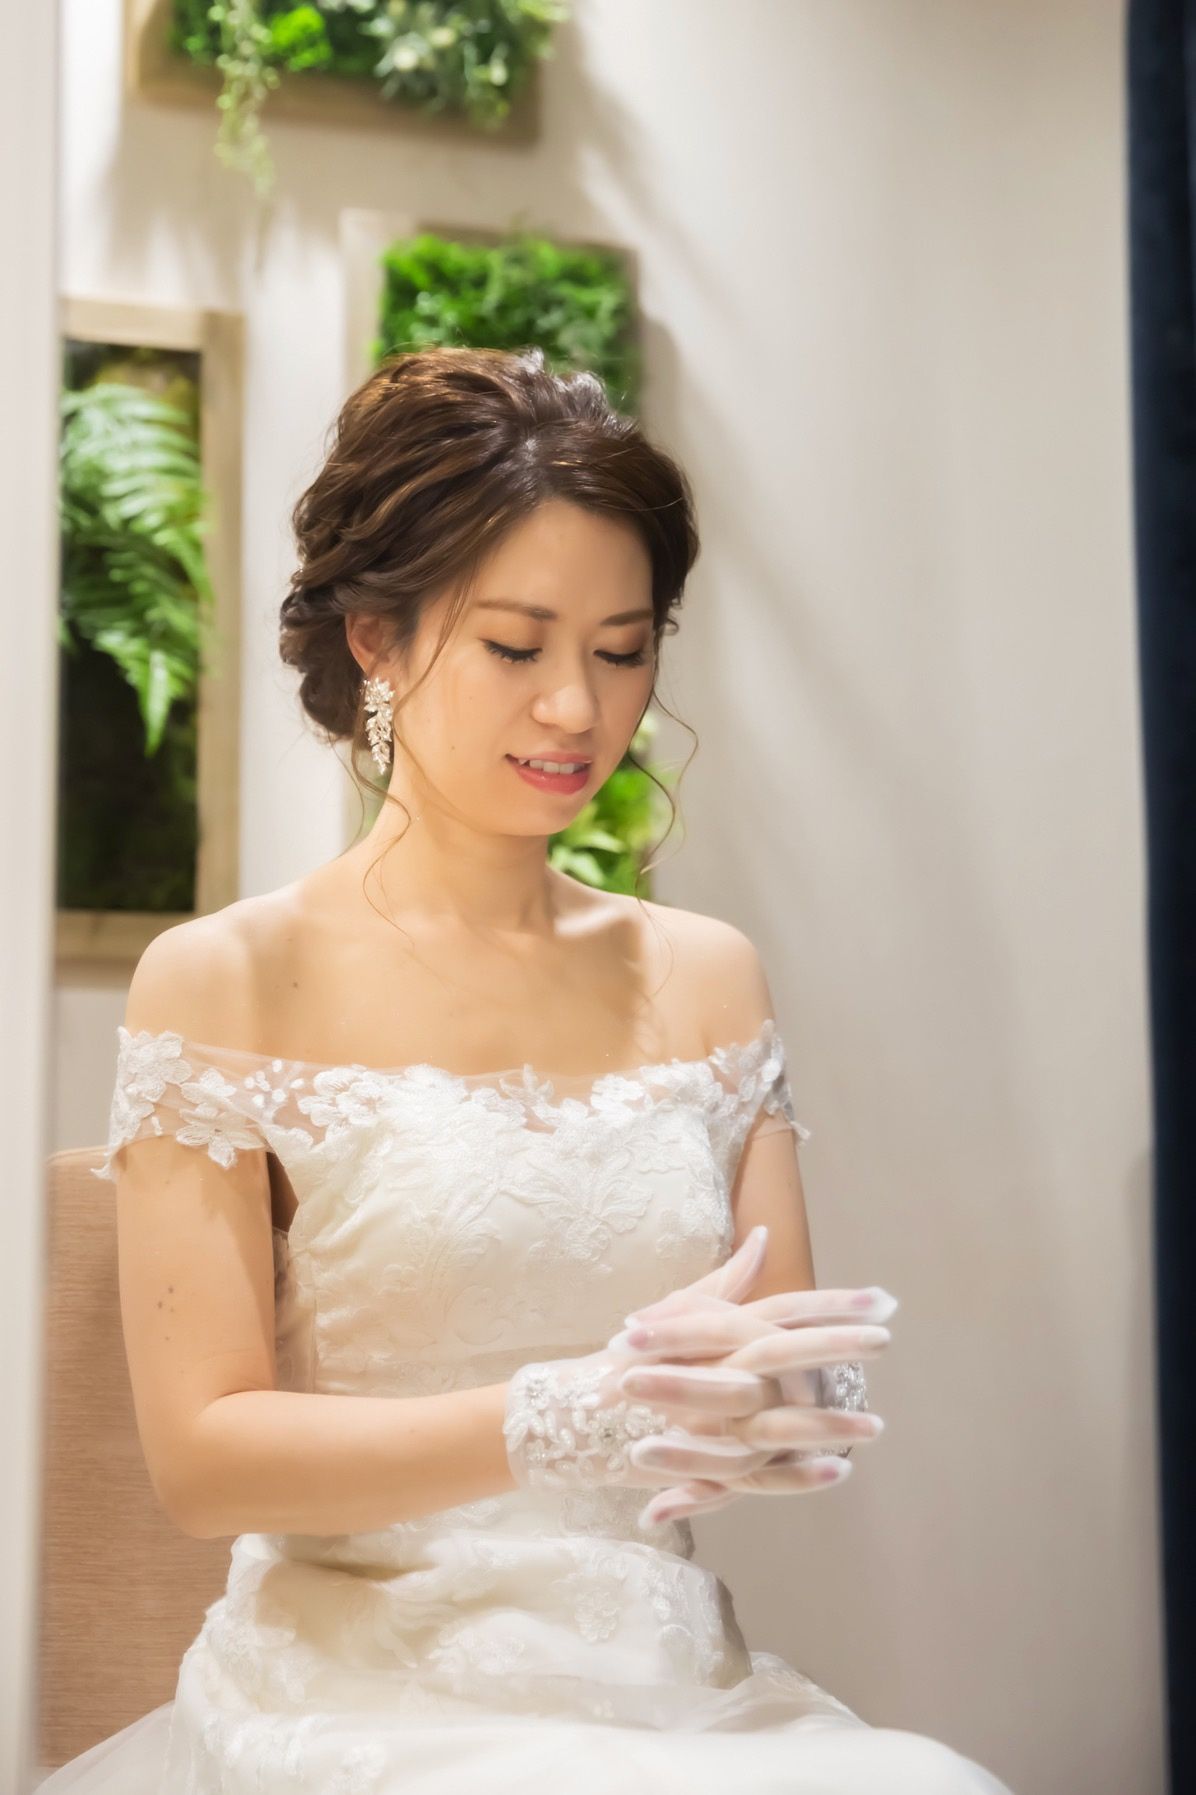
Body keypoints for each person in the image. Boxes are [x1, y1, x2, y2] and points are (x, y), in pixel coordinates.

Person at [37, 347, 1014, 1793]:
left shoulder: (706, 975)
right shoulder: (227, 976)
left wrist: (775, 1409)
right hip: (360, 1685)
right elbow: (203, 1462)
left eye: (622, 651)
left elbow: (769, 1368)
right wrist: (558, 1416)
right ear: (375, 637)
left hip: (664, 1683)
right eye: (515, 647)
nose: (577, 709)